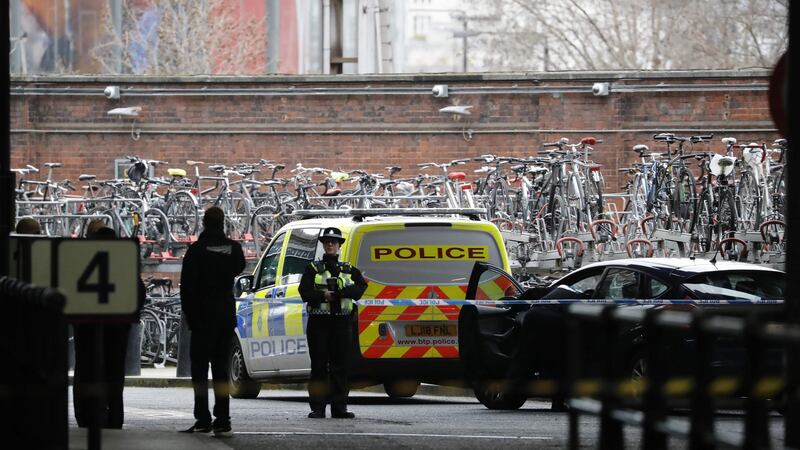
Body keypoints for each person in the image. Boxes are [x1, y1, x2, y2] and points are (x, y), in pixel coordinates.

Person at [180, 207, 245, 437]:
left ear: (204, 223)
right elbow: (239, 267)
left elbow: (186, 288)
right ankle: (223, 419)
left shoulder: (195, 251)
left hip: (201, 321)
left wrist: (191, 315)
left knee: (199, 372)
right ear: (223, 223)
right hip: (224, 320)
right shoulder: (233, 250)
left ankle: (202, 418)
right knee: (220, 372)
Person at [72, 224, 145, 429]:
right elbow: (139, 292)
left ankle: (87, 416)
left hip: (87, 328)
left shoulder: (83, 260)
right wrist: (130, 317)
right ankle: (114, 418)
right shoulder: (124, 263)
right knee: (114, 375)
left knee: (86, 371)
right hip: (117, 328)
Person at [299, 227, 368, 419]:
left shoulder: (348, 269)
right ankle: (318, 408)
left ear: (339, 246)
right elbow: (304, 292)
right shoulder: (312, 268)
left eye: (334, 242)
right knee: (319, 366)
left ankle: (340, 408)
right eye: (327, 242)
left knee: (341, 366)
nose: (330, 245)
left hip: (341, 322)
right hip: (319, 322)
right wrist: (323, 295)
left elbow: (362, 287)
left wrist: (343, 292)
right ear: (323, 245)